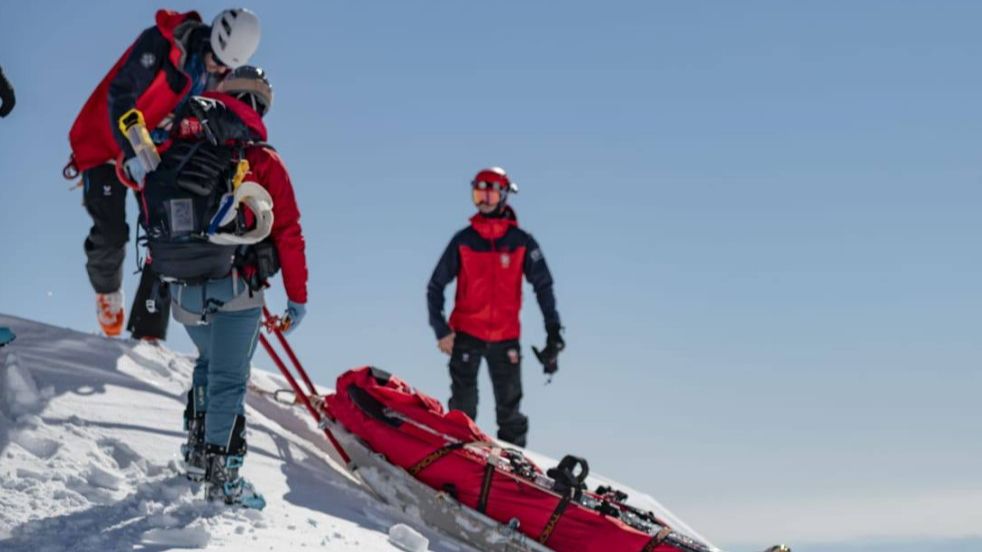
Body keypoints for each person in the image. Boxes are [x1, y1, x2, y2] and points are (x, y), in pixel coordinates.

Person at [152, 67, 306, 508]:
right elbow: (289, 233)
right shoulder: (260, 158)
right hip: (237, 288)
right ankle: (224, 477)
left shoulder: (178, 144)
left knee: (208, 362)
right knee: (228, 379)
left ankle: (198, 455)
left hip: (181, 288)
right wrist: (297, 298)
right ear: (258, 106)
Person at [66, 8, 261, 340]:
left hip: (160, 157)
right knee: (112, 231)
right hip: (106, 144)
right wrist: (131, 151)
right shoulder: (164, 43)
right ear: (211, 38)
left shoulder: (218, 80)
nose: (217, 69)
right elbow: (121, 93)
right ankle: (107, 291)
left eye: (225, 66)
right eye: (215, 59)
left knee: (170, 234)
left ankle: (148, 330)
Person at [427, 168, 565, 447]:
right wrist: (441, 329)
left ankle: (512, 472)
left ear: (503, 195)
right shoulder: (463, 240)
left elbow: (544, 288)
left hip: (506, 339)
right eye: (478, 193)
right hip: (466, 335)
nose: (484, 200)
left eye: (489, 193)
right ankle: (459, 458)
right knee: (463, 407)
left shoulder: (521, 242)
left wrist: (554, 332)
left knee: (510, 412)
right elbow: (435, 286)